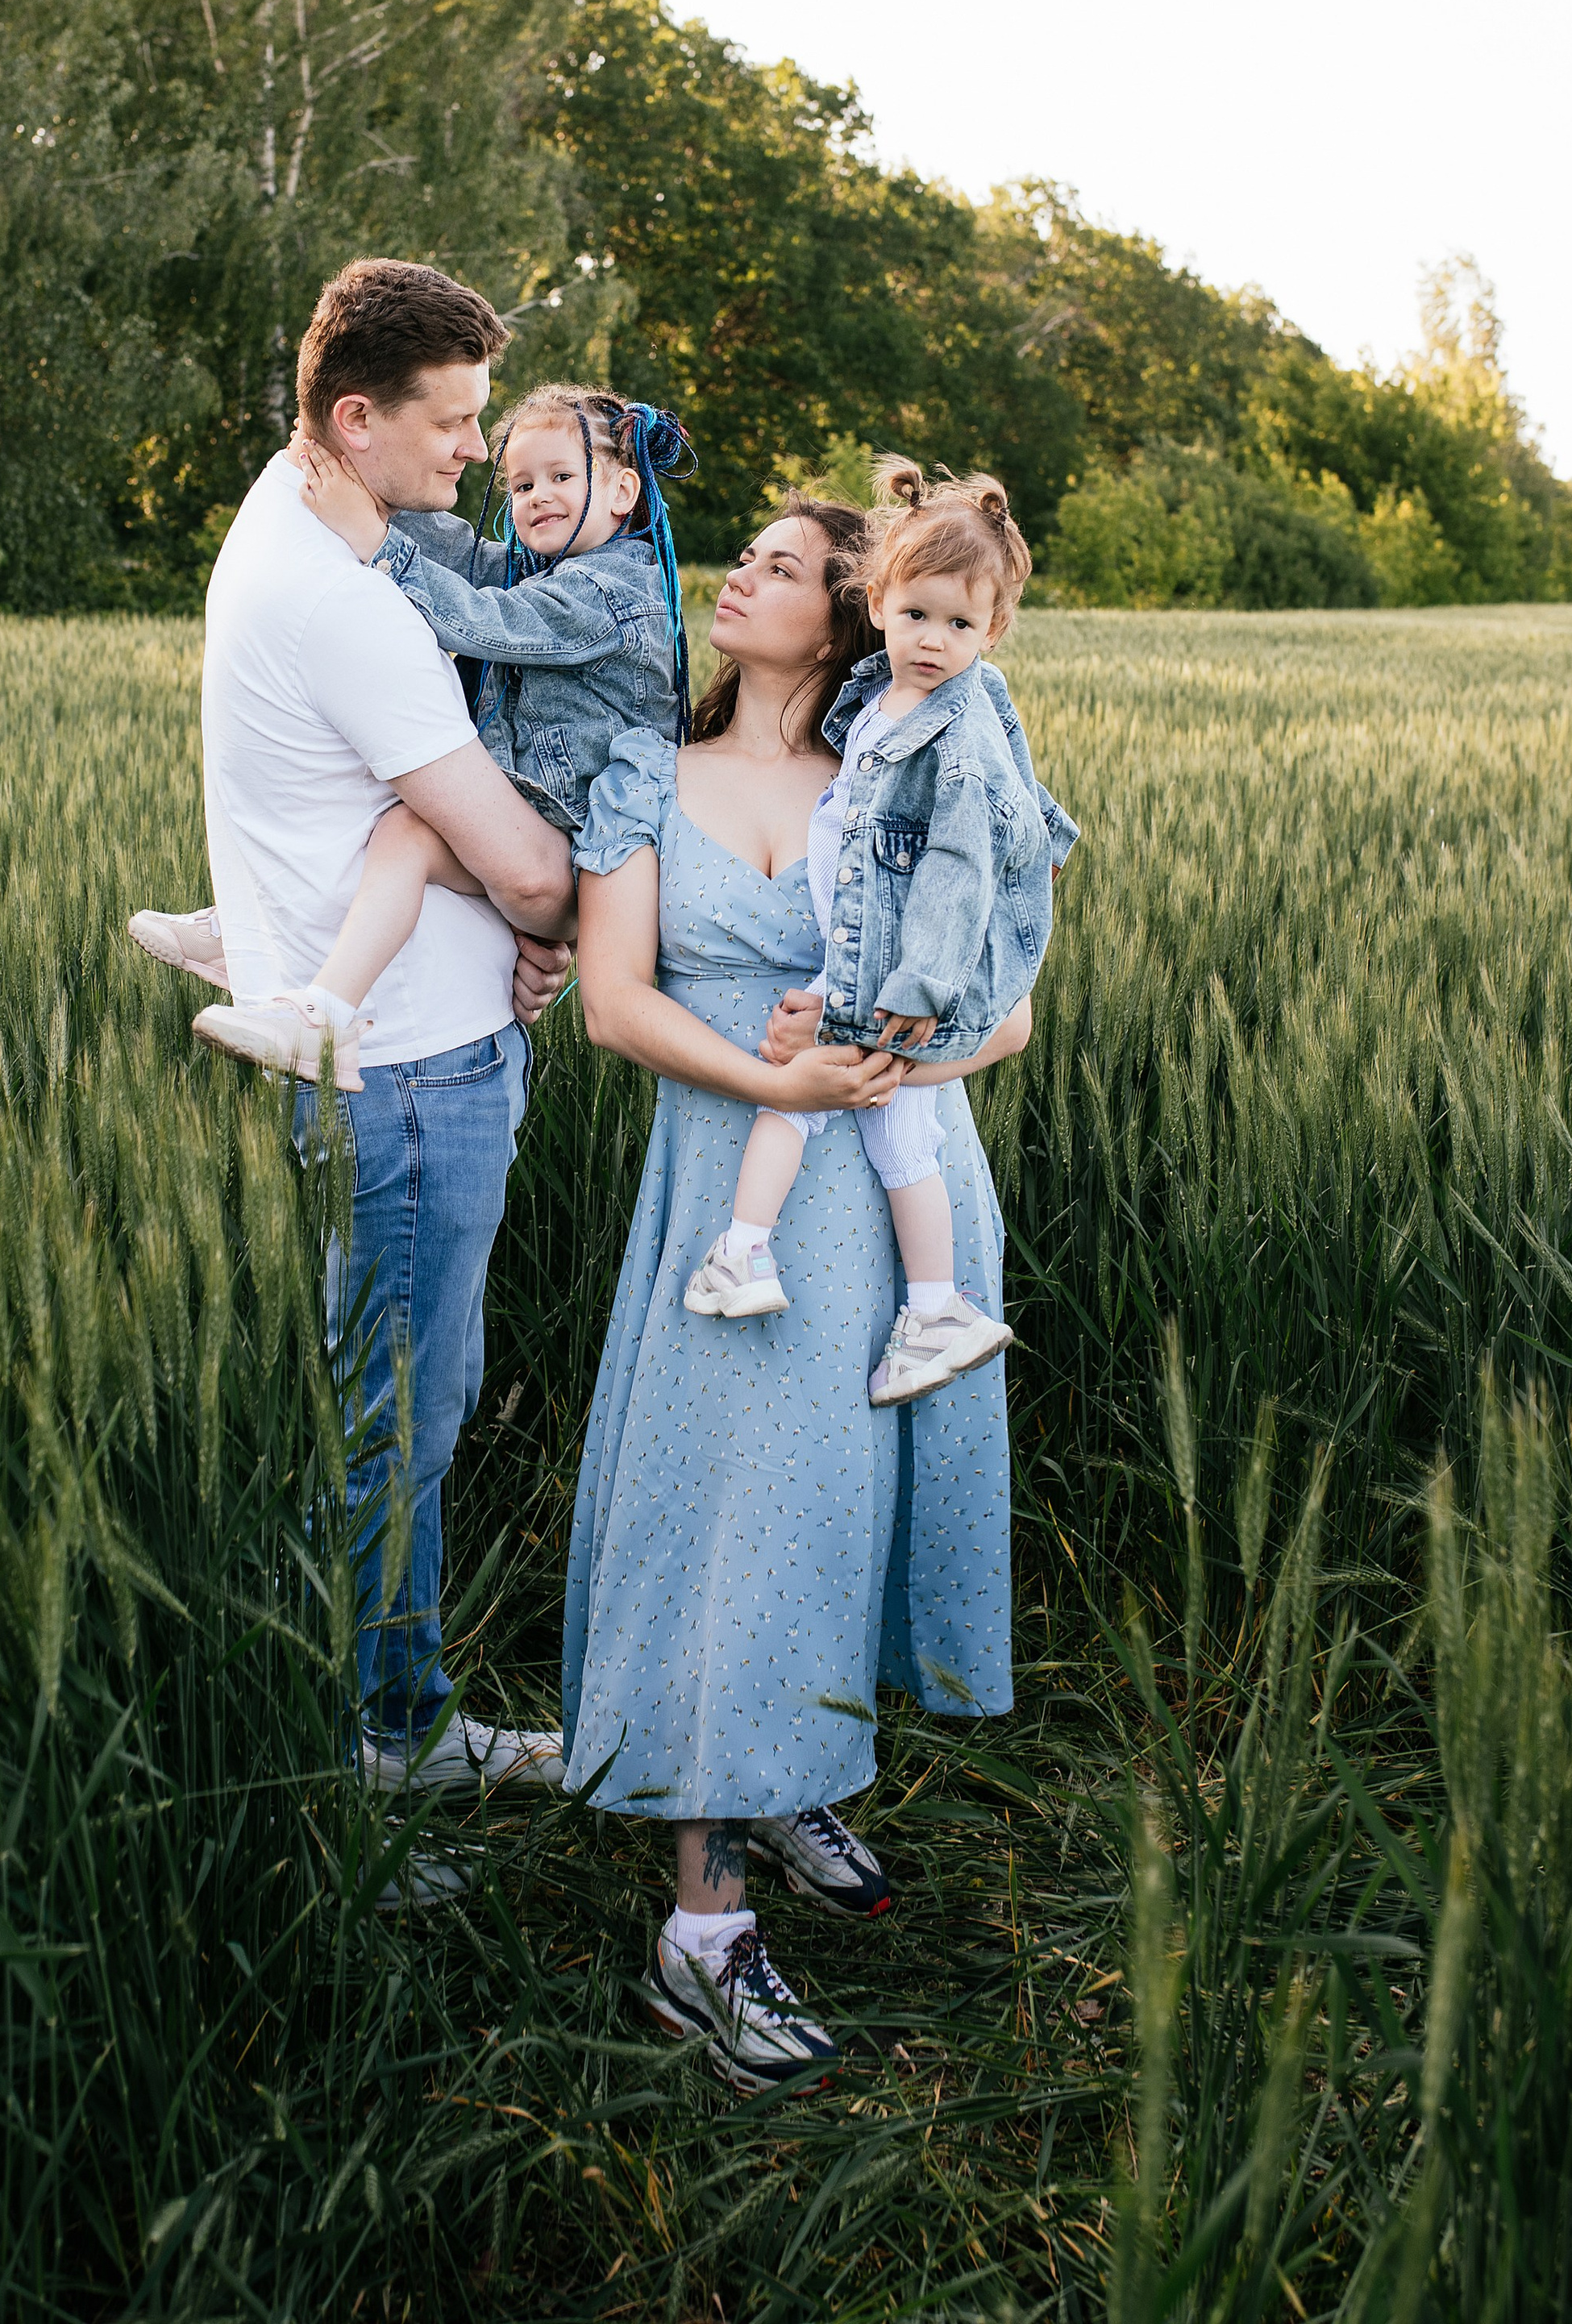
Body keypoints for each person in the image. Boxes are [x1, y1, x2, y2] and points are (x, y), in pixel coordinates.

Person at [565, 496, 1039, 2092]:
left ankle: (783, 1782)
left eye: (776, 566)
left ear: (844, 611)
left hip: (897, 1199)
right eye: (744, 555)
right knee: (722, 1526)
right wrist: (783, 1075)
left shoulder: (917, 758)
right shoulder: (645, 770)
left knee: (833, 1516)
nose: (737, 576)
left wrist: (883, 1050)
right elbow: (612, 1005)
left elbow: (1010, 1010)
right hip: (733, 1201)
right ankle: (700, 1937)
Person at [145, 257, 578, 1816]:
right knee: (398, 1429)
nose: (474, 449)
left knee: (402, 1412)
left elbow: (402, 826)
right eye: (452, 421)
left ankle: (393, 1712)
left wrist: (495, 899)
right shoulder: (344, 608)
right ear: (354, 417)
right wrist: (543, 909)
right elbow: (534, 866)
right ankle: (386, 1749)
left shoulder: (283, 523)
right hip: (410, 1075)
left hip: (403, 1051)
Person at [685, 465, 1070, 1414]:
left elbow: (961, 867)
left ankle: (743, 1249)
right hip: (865, 949)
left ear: (993, 629)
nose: (933, 640)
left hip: (889, 964)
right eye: (916, 615)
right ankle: (932, 1307)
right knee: (902, 1140)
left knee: (801, 1094)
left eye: (959, 625)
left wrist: (921, 985)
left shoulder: (952, 729)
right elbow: (1021, 803)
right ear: (877, 605)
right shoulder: (876, 695)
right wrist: (1045, 837)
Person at [189, 383, 697, 1089]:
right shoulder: (553, 568)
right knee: (395, 817)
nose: (537, 497)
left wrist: (378, 545)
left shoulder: (611, 594)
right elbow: (467, 555)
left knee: (408, 834)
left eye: (561, 476)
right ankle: (256, 930)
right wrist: (364, 484)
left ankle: (324, 1015)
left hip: (581, 822)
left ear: (622, 492)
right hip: (542, 805)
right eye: (522, 485)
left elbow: (487, 621)